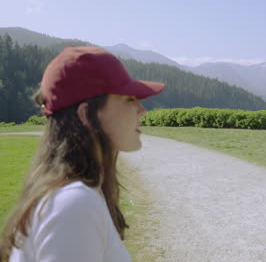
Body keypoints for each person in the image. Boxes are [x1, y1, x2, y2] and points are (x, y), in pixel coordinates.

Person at [0, 46, 165, 261]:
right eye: (128, 99)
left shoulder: (75, 197)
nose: (142, 110)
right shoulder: (74, 205)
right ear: (86, 114)